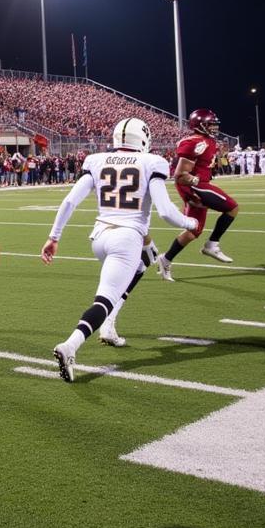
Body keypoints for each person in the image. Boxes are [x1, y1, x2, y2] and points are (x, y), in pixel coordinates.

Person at [41, 118, 198, 380]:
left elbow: (70, 201)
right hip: (126, 240)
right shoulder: (152, 162)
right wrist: (190, 222)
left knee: (146, 259)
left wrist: (53, 237)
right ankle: (71, 345)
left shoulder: (96, 159)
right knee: (103, 300)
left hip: (100, 236)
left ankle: (109, 326)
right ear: (143, 139)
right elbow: (166, 212)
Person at [157, 108, 240, 280]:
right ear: (200, 125)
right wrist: (194, 188)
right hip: (195, 185)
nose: (214, 127)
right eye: (210, 124)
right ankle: (212, 245)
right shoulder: (195, 142)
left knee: (194, 230)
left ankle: (165, 259)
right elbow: (180, 176)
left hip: (200, 184)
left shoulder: (207, 140)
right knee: (232, 207)